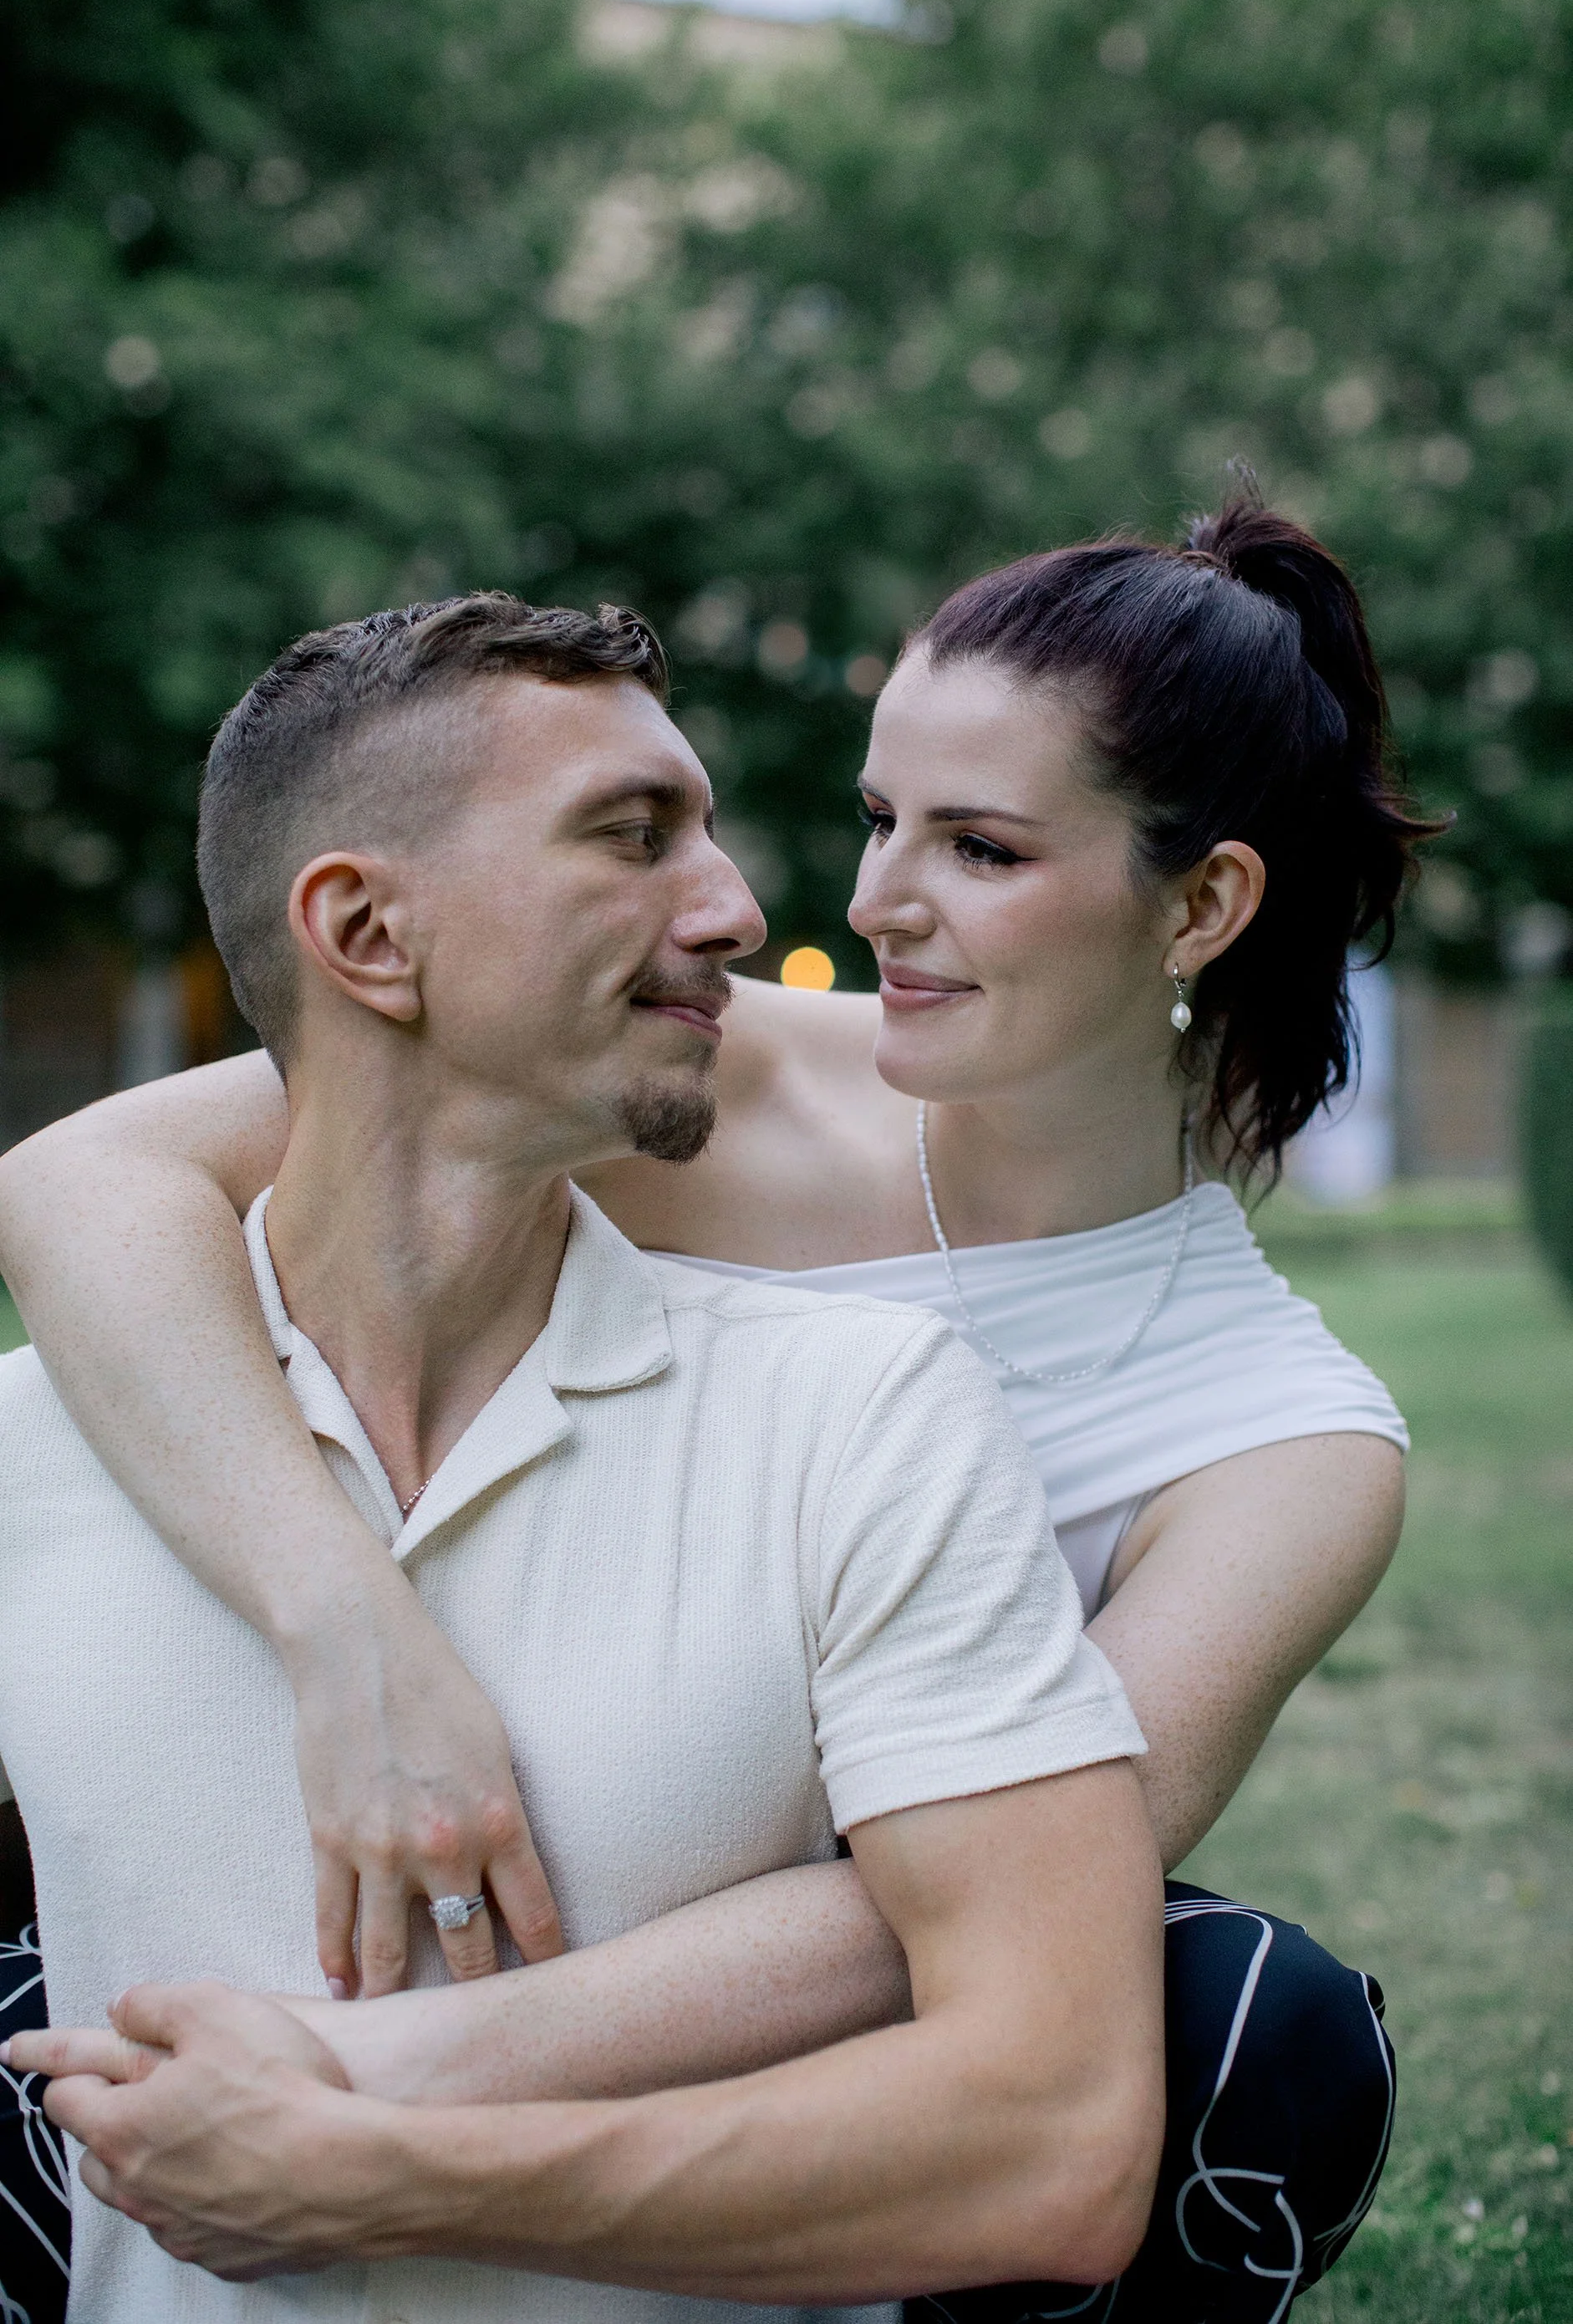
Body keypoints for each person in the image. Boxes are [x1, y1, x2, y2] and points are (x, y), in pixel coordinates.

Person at [0, 493, 1428, 2315]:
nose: (866, 901)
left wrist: (377, 2095)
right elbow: (81, 1189)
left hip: (790, 2012)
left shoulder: (1282, 1441)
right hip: (393, 1826)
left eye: (979, 848)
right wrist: (345, 1626)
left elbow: (957, 1904)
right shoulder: (700, 1074)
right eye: (875, 818)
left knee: (1236, 2013)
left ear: (1203, 903)